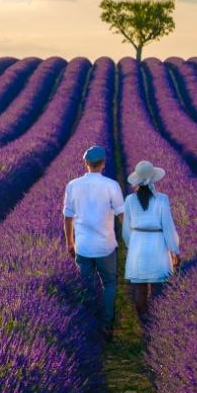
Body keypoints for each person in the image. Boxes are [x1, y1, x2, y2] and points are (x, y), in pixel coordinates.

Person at [63, 145, 124, 341]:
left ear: (85, 163)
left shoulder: (72, 185)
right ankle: (106, 325)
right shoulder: (111, 185)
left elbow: (67, 217)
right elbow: (122, 215)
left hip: (84, 246)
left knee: (85, 286)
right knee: (109, 284)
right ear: (104, 164)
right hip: (105, 245)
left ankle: (87, 326)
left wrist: (69, 242)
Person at [122, 160, 181, 321]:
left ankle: (143, 321)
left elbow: (126, 230)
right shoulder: (162, 199)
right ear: (153, 179)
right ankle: (156, 324)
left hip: (138, 244)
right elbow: (168, 227)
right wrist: (174, 250)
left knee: (140, 289)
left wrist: (131, 245)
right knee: (158, 289)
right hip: (157, 245)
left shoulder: (129, 200)